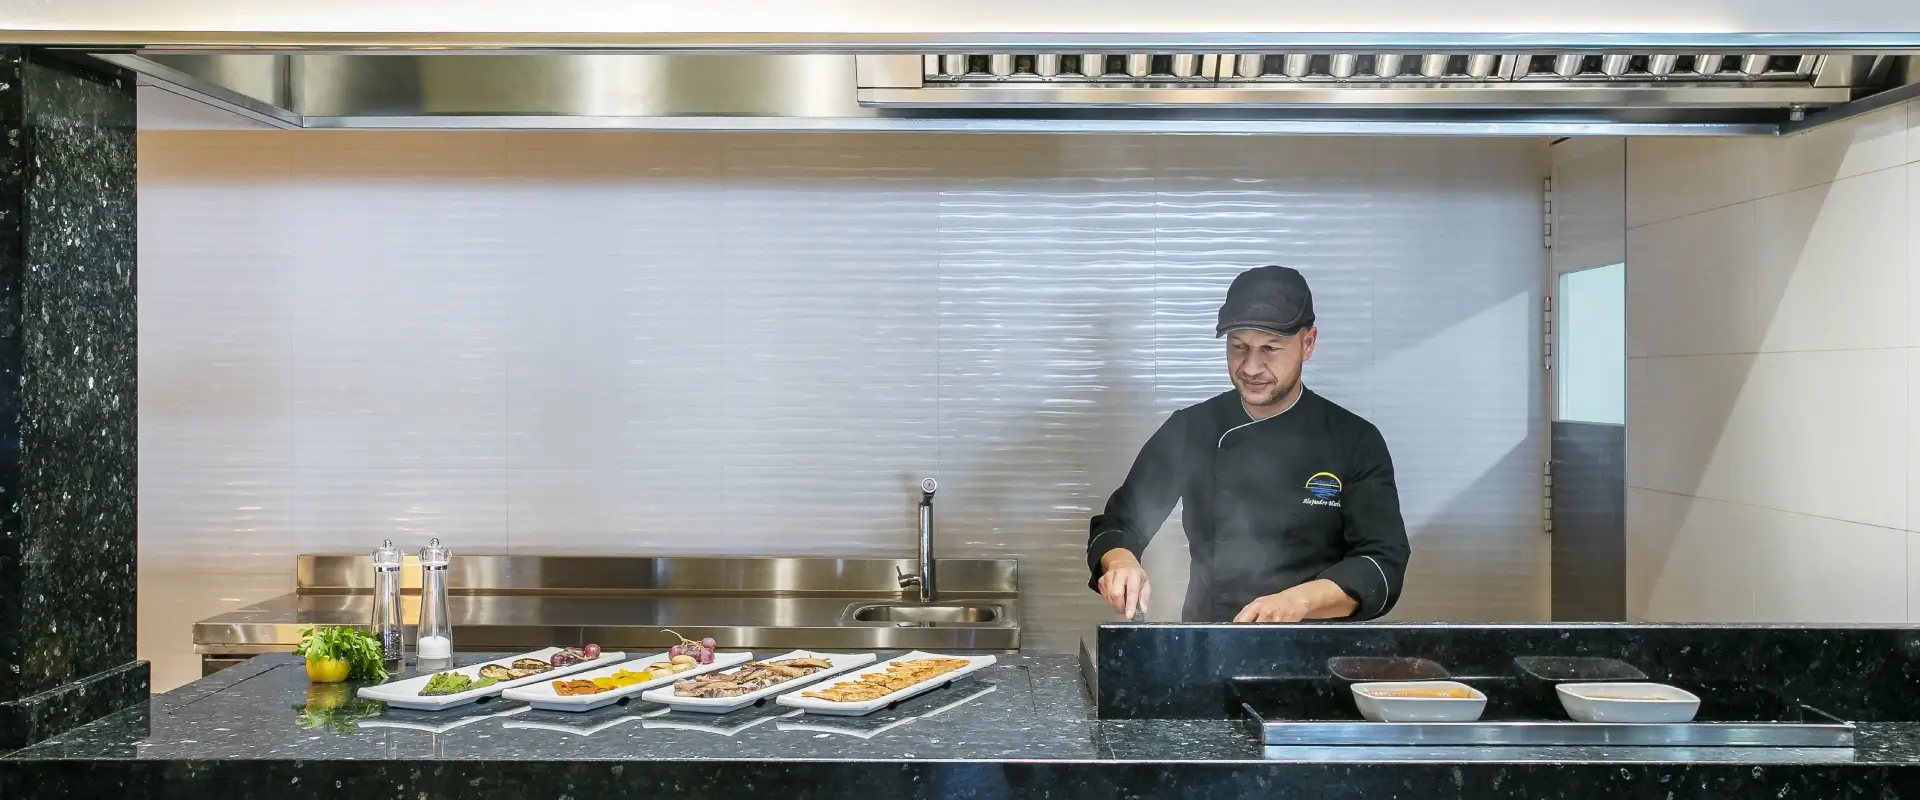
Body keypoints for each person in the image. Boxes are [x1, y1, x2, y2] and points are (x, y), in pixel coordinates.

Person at [1087, 265, 1410, 623]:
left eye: (1270, 349)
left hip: (1316, 649)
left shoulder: (1354, 440)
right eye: (1238, 347)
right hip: (1210, 642)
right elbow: (1121, 521)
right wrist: (1121, 562)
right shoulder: (1192, 429)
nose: (1251, 367)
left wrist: (1297, 602)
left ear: (1308, 344)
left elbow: (1382, 564)